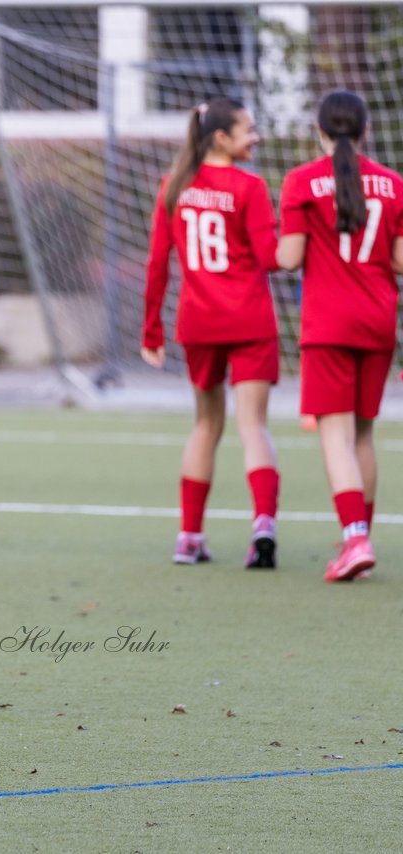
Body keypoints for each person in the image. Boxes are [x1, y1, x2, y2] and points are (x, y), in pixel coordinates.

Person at [142, 97, 281, 569]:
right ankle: (263, 525)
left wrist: (151, 331)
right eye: (249, 129)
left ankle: (189, 537)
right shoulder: (251, 187)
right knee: (252, 425)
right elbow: (269, 257)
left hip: (198, 323)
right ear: (221, 137)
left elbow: (157, 264)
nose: (256, 137)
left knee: (205, 425)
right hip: (249, 321)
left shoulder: (174, 186)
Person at [276, 89, 403, 582]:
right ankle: (359, 538)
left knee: (335, 435)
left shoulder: (302, 181)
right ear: (367, 130)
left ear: (319, 131)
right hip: (378, 320)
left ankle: (354, 541)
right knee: (364, 433)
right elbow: (398, 262)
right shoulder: (394, 184)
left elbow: (287, 258)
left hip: (328, 324)